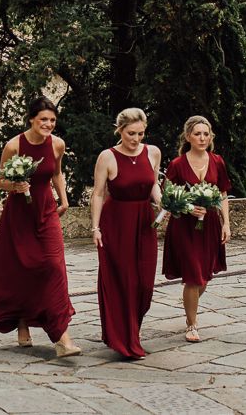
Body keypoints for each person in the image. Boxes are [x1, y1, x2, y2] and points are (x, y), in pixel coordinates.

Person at [0, 96, 81, 357]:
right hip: (20, 214)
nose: (49, 124)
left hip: (46, 211)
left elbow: (56, 173)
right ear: (31, 118)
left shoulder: (57, 144)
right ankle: (22, 321)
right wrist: (15, 186)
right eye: (44, 119)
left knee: (54, 266)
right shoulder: (14, 145)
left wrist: (64, 200)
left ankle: (62, 337)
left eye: (53, 120)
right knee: (21, 267)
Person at [91, 108, 161, 359]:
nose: (136, 139)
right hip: (116, 223)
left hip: (144, 222)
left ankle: (132, 330)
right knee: (122, 280)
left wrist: (163, 202)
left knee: (144, 283)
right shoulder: (107, 157)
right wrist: (96, 228)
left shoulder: (152, 152)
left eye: (141, 133)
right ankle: (124, 338)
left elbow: (153, 184)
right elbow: (98, 193)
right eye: (131, 133)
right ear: (120, 130)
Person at [162, 115, 232, 342]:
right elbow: (167, 197)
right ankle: (191, 324)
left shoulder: (218, 161)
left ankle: (189, 301)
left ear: (210, 136)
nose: (202, 138)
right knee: (193, 276)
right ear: (188, 137)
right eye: (197, 134)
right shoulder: (177, 165)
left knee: (203, 279)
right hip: (185, 226)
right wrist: (188, 207)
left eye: (205, 134)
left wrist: (226, 224)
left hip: (210, 225)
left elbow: (222, 194)